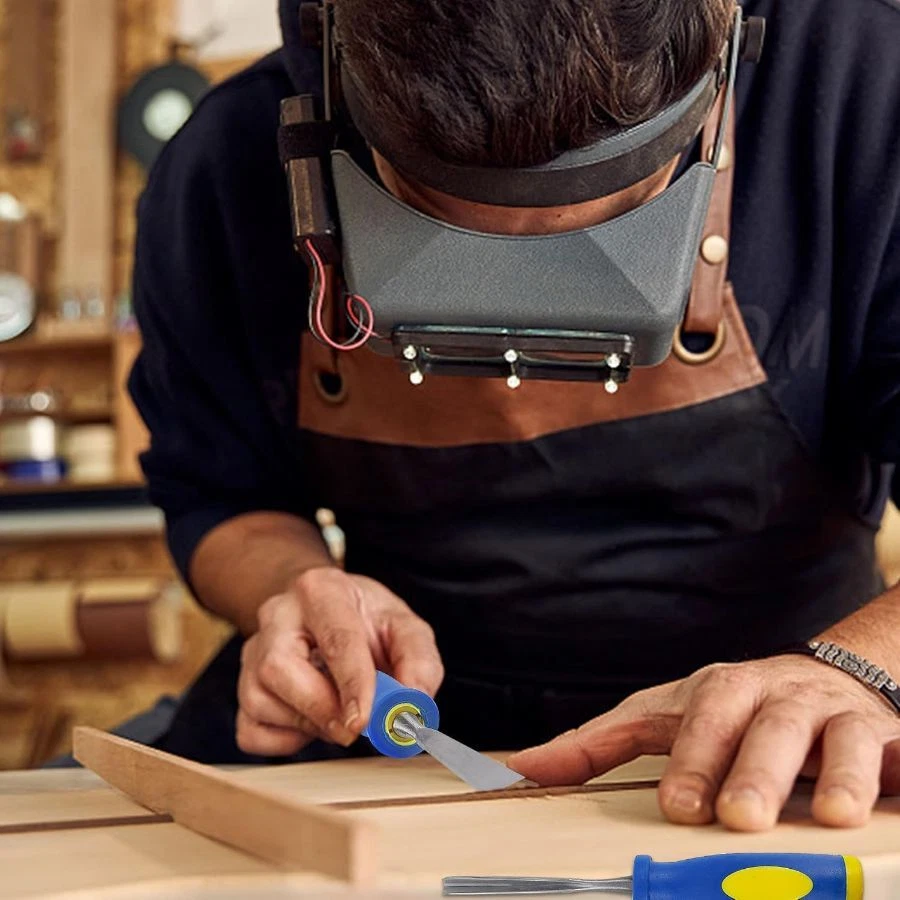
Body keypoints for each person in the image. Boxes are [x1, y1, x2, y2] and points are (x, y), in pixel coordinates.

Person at [126, 0, 900, 833]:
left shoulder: (863, 92)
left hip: (780, 734)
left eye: (609, 231)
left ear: (721, 54)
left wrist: (855, 670)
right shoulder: (229, 160)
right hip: (393, 742)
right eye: (439, 224)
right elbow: (220, 491)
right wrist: (291, 590)